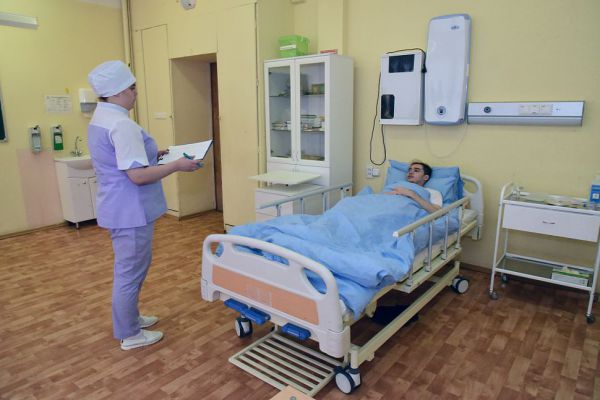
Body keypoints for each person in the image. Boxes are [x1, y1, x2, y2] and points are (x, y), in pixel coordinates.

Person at [87, 60, 202, 350]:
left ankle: (132, 318)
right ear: (117, 92)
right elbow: (137, 176)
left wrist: (157, 154)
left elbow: (123, 160)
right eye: (132, 87)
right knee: (129, 273)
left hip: (119, 207)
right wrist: (177, 165)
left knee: (133, 268)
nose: (136, 92)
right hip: (130, 212)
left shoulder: (102, 117)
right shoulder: (121, 124)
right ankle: (130, 334)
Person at [373, 161, 442, 326]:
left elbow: (437, 212)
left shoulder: (431, 192)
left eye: (416, 170)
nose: (410, 172)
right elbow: (376, 202)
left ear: (425, 177)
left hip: (402, 219)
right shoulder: (396, 186)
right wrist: (393, 194)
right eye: (410, 170)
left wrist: (412, 195)